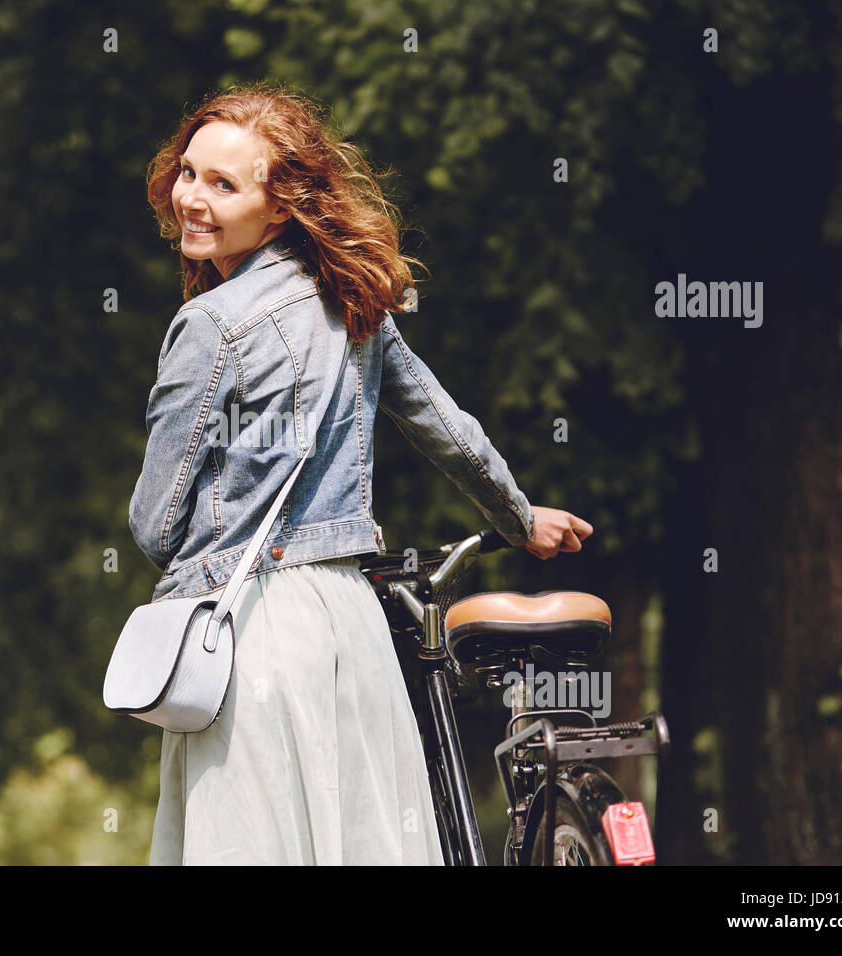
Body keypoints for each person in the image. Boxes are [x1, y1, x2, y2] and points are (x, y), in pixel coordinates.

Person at [129, 82, 593, 865]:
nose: (192, 200)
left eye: (222, 184)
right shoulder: (354, 305)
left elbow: (154, 525)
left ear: (278, 208)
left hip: (253, 636)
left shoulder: (208, 326)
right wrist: (521, 519)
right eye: (188, 173)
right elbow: (448, 430)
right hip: (352, 623)